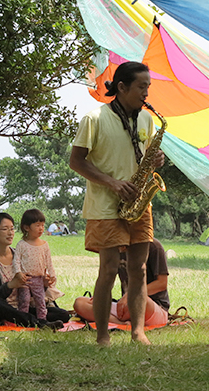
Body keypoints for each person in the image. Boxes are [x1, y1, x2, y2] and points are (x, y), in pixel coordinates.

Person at [69, 61, 164, 346]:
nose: (146, 93)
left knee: (140, 269)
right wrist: (112, 183)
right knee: (109, 268)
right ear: (121, 87)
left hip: (138, 205)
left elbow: (144, 157)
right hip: (105, 205)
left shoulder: (147, 120)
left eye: (148, 87)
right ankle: (101, 336)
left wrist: (157, 160)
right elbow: (76, 161)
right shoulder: (94, 119)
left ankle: (138, 331)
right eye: (141, 87)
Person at [73, 238, 170, 326]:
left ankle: (122, 320)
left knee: (142, 300)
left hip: (152, 307)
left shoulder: (154, 246)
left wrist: (129, 295)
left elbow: (161, 284)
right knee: (80, 303)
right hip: (125, 306)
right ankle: (121, 324)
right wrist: (101, 298)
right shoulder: (117, 247)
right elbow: (107, 277)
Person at [0, 213, 67, 330]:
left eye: (12, 228)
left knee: (62, 314)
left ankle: (26, 319)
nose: (10, 233)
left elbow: (32, 290)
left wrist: (42, 284)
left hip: (24, 306)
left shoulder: (20, 255)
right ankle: (38, 323)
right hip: (3, 308)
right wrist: (10, 285)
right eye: (5, 229)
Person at [13, 209, 60, 321]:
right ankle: (23, 319)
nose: (41, 228)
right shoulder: (22, 244)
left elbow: (48, 262)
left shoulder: (44, 245)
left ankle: (42, 320)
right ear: (26, 227)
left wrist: (52, 275)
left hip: (39, 279)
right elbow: (16, 260)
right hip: (25, 279)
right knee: (24, 299)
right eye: (37, 225)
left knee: (40, 300)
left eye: (43, 225)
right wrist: (18, 273)